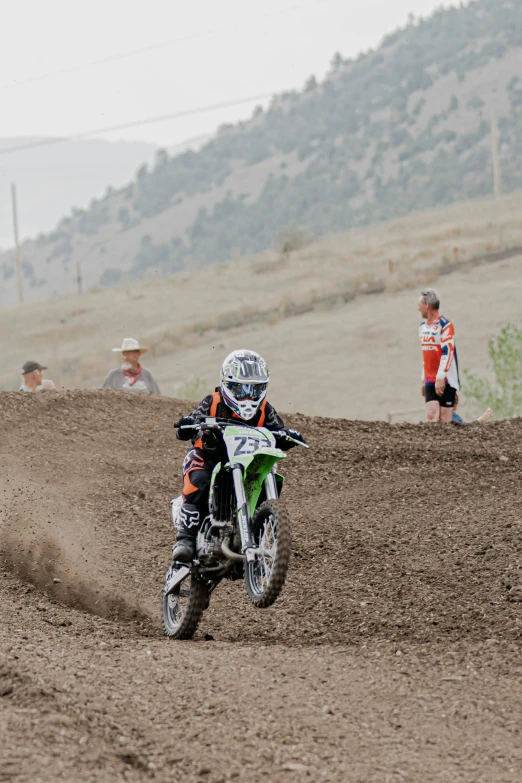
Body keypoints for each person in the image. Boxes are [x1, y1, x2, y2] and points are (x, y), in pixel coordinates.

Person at [171, 349, 305, 563]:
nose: (248, 396)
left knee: (267, 474)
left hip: (247, 463)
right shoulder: (213, 402)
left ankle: (256, 533)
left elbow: (277, 430)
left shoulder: (264, 410)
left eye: (255, 389)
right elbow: (191, 422)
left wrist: (288, 435)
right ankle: (184, 539)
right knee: (198, 479)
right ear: (228, 385)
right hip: (211, 456)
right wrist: (188, 424)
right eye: (242, 389)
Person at [418, 288, 459, 423]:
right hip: (430, 377)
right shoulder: (422, 327)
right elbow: (426, 354)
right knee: (432, 416)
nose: (418, 309)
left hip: (446, 378)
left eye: (420, 305)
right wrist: (424, 378)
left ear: (427, 305)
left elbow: (448, 353)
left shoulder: (445, 325)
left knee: (444, 418)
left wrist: (441, 378)